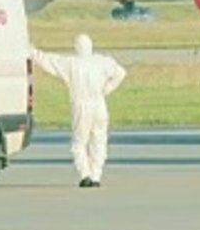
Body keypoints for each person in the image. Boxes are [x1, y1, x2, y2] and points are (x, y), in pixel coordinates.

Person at [30, 34, 127, 187]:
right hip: (99, 104)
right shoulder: (102, 61)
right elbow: (121, 73)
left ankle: (84, 175)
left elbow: (48, 61)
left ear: (76, 47)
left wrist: (31, 51)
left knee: (79, 142)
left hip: (82, 105)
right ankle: (96, 176)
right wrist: (106, 89)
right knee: (99, 140)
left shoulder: (71, 63)